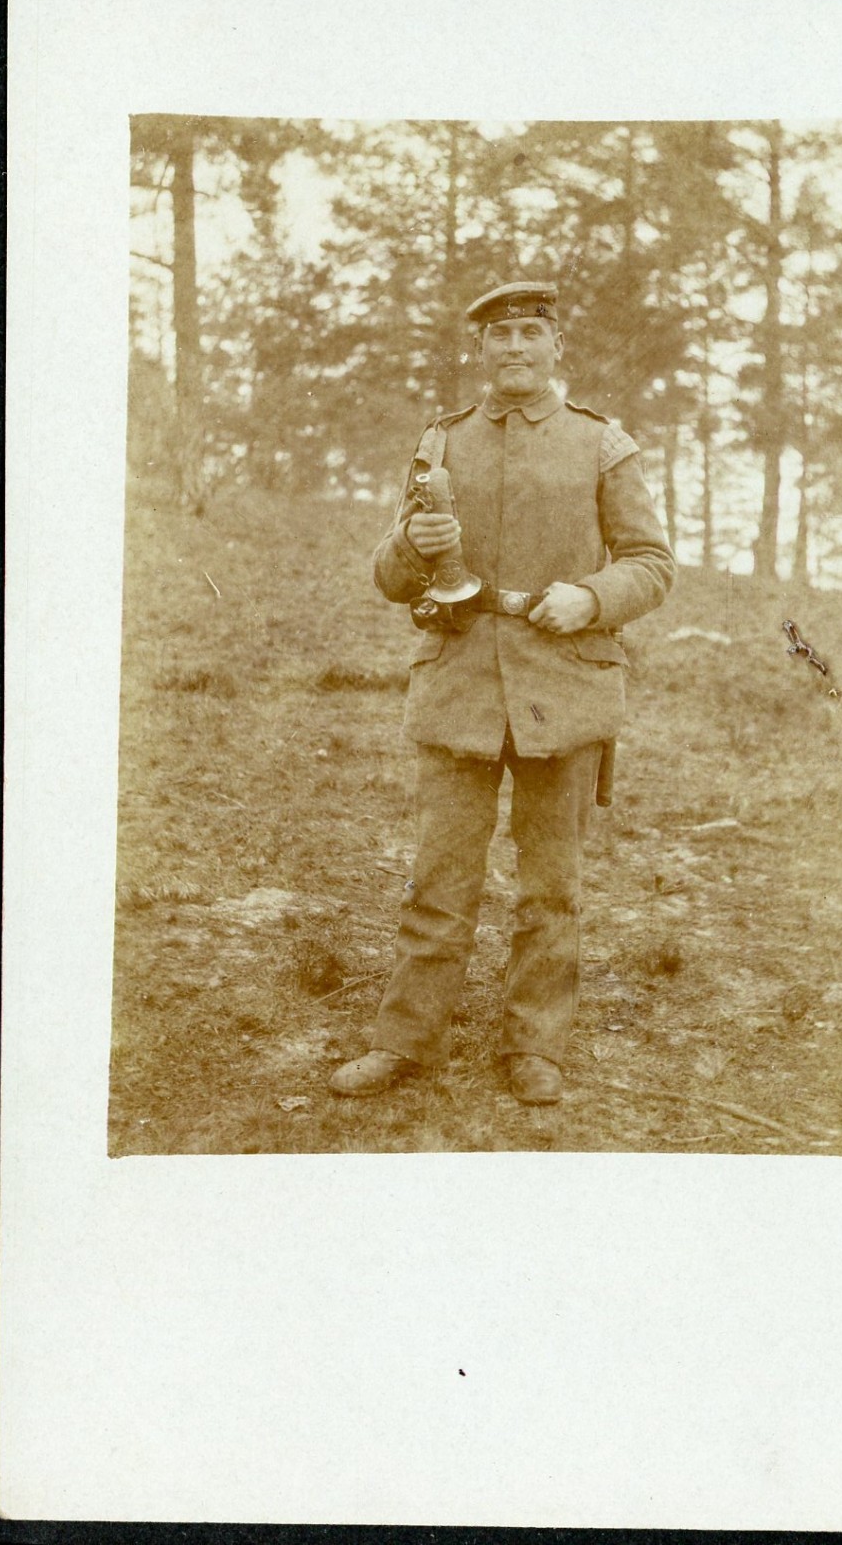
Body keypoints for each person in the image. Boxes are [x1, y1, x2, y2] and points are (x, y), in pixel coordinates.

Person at [330, 280, 675, 1105]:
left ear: (557, 348)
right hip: (459, 688)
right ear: (479, 352)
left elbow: (652, 563)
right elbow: (387, 575)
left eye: (530, 333)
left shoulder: (602, 445)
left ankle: (536, 1048)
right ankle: (406, 1042)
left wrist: (591, 598)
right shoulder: (441, 444)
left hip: (566, 686)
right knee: (439, 880)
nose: (514, 348)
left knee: (551, 888)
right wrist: (415, 544)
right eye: (499, 336)